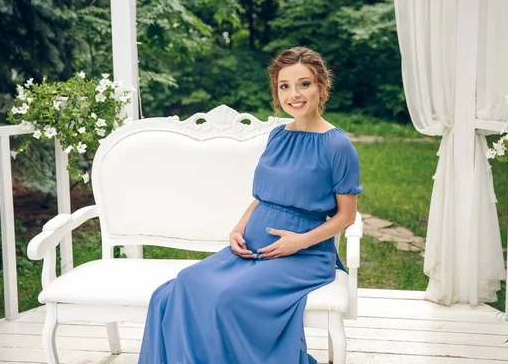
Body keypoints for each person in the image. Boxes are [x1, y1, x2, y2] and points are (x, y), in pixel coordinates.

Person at [138, 46, 363, 364]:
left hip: (304, 255)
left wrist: (297, 243)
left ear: (321, 87)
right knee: (180, 286)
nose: (294, 94)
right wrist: (238, 227)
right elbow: (262, 197)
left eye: (304, 84)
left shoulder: (337, 144)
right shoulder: (277, 136)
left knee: (225, 299)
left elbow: (347, 216)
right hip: (251, 247)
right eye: (284, 86)